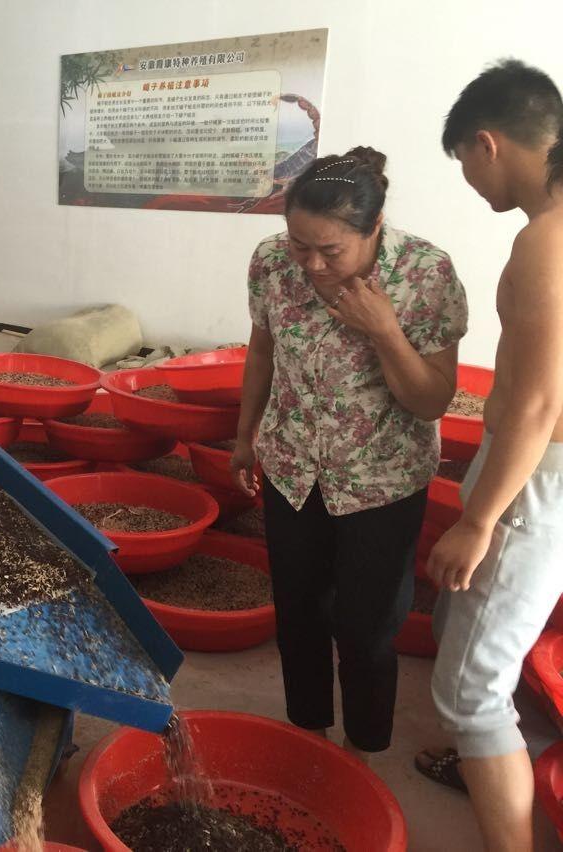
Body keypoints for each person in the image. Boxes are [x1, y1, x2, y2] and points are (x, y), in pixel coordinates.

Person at [232, 146, 468, 761]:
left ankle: (365, 747)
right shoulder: (270, 263)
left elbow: (431, 401)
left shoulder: (425, 273)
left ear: (375, 228)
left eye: (330, 251)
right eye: (299, 244)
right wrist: (244, 435)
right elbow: (262, 351)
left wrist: (384, 329)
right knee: (299, 616)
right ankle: (307, 732)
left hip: (382, 482)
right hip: (292, 470)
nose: (311, 264)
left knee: (366, 631)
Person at [415, 60, 563, 852]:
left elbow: (537, 406)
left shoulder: (546, 238)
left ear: (488, 143)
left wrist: (478, 519)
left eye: (467, 165)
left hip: (534, 479)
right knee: (464, 623)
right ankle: (485, 761)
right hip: (534, 473)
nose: (472, 182)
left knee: (472, 688)